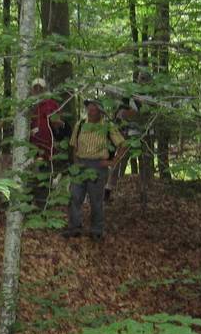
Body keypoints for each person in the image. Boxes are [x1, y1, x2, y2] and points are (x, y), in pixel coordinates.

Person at [62, 99, 128, 240]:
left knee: (96, 200)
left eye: (94, 110)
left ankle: (96, 230)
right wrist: (75, 163)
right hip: (80, 165)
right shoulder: (80, 124)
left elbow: (123, 144)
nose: (90, 112)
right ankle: (74, 227)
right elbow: (74, 145)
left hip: (98, 166)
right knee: (74, 196)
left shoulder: (108, 126)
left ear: (100, 112)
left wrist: (112, 162)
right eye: (89, 109)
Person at [28, 77, 64, 209]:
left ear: (44, 89)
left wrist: (55, 122)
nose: (37, 90)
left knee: (45, 174)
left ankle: (43, 204)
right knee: (32, 174)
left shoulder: (51, 103)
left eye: (40, 88)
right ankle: (31, 202)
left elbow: (58, 122)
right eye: (35, 88)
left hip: (47, 146)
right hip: (30, 147)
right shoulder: (28, 104)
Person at [104, 101, 139, 202]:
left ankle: (106, 195)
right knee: (108, 172)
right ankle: (101, 195)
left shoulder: (126, 124)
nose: (125, 115)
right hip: (110, 151)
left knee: (113, 173)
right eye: (123, 113)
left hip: (118, 151)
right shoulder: (114, 123)